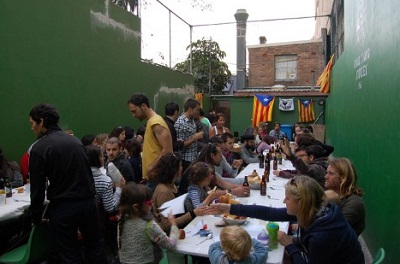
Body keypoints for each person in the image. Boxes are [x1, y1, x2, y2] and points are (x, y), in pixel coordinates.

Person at [211, 176, 365, 264]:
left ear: (301, 202)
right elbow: (269, 213)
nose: (284, 201)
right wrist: (229, 209)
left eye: (288, 198)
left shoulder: (322, 236)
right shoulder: (317, 210)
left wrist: (290, 245)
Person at [28, 103, 106, 263]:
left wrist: (35, 217)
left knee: (69, 254)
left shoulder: (39, 148)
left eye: (32, 123)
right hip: (88, 204)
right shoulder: (76, 142)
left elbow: (37, 188)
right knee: (95, 247)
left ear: (41, 121)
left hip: (64, 208)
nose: (32, 128)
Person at [152, 153, 212, 264]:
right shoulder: (164, 192)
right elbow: (166, 225)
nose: (181, 168)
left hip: (183, 232)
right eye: (179, 166)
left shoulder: (173, 185)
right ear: (173, 170)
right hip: (174, 239)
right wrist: (193, 213)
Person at [118, 183, 179, 264]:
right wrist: (174, 224)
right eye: (149, 203)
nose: (152, 204)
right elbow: (171, 245)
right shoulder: (149, 225)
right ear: (136, 207)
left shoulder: (122, 222)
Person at [86, 145, 126, 262]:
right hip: (96, 223)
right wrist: (119, 188)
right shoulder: (105, 181)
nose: (104, 158)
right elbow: (110, 207)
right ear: (97, 159)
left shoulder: (78, 176)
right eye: (101, 156)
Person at [128, 93, 173, 186]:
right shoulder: (151, 122)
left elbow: (168, 150)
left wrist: (151, 167)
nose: (133, 115)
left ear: (144, 106)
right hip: (153, 177)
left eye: (134, 111)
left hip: (157, 177)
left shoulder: (156, 122)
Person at [325, 158, 366, 236]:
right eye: (327, 172)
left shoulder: (354, 203)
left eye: (330, 173)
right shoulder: (330, 194)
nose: (326, 176)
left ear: (343, 177)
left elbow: (331, 230)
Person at [174, 98, 204, 175]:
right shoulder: (180, 123)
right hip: (185, 160)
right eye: (197, 110)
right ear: (190, 109)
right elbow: (180, 146)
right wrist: (195, 137)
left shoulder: (192, 120)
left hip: (193, 158)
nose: (198, 112)